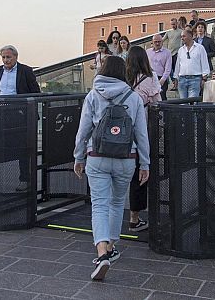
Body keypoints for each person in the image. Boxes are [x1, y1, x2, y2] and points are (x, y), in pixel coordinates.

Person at [73, 56, 150, 281]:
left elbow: (83, 130)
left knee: (99, 204)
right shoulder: (133, 97)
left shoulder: (93, 95)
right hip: (127, 158)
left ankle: (101, 253)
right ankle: (111, 247)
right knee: (117, 202)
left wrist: (78, 157)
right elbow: (141, 134)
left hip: (97, 156)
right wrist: (145, 163)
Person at [0, 45, 40, 191]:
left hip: (20, 114)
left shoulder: (25, 71)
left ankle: (25, 180)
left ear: (15, 57)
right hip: (2, 113)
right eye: (3, 57)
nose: (5, 60)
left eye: (8, 57)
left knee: (23, 149)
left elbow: (35, 92)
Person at [125, 47, 161, 233]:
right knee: (141, 173)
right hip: (143, 131)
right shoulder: (150, 78)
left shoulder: (122, 78)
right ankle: (134, 217)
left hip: (120, 134)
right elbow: (157, 103)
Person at [172, 29, 210, 99]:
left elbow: (205, 64)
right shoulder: (181, 50)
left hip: (195, 79)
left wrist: (204, 79)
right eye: (181, 36)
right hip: (182, 79)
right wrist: (176, 78)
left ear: (190, 36)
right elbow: (178, 65)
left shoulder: (200, 48)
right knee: (183, 104)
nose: (182, 38)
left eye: (184, 36)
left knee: (192, 103)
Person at [148, 34, 172, 100]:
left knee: (162, 97)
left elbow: (168, 68)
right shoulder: (148, 52)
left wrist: (162, 80)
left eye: (159, 41)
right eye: (155, 42)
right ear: (152, 42)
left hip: (161, 78)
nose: (157, 43)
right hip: (150, 78)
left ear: (162, 42)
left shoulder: (167, 53)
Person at [162, 18, 183, 89]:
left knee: (176, 69)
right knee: (169, 69)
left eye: (174, 24)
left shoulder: (181, 31)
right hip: (170, 53)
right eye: (172, 24)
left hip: (177, 53)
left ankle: (176, 84)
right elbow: (162, 40)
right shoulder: (168, 32)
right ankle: (174, 82)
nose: (173, 25)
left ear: (177, 23)